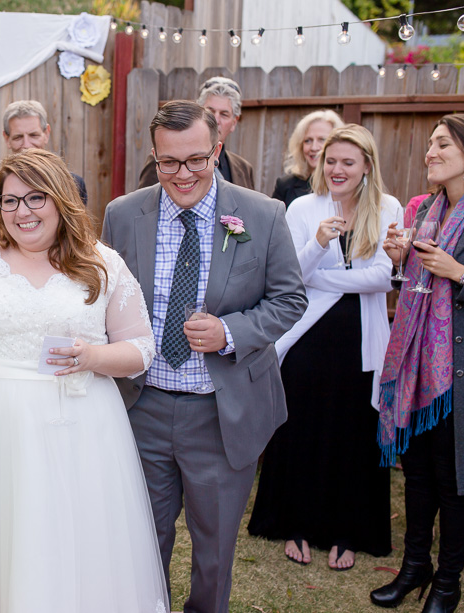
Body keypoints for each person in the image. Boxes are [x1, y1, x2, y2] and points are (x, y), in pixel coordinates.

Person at [0, 148, 168, 612]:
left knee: (77, 538)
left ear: (60, 200)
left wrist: (93, 356)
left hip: (82, 429)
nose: (23, 212)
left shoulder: (101, 262)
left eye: (36, 198)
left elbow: (141, 348)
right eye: (10, 200)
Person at [102, 100, 307, 613]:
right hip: (141, 406)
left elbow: (289, 298)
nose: (183, 174)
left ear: (217, 150)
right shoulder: (123, 214)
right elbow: (102, 299)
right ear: (154, 156)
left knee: (214, 552)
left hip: (221, 411)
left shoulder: (263, 213)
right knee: (140, 542)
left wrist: (230, 332)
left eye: (196, 160)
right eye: (169, 162)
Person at [248, 124, 400, 571]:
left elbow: (383, 277)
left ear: (366, 166)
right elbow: (289, 275)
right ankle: (294, 523)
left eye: (348, 162)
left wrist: (323, 278)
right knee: (301, 431)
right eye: (331, 160)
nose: (337, 169)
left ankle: (347, 531)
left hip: (361, 340)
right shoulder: (302, 207)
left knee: (353, 434)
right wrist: (317, 244)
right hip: (306, 338)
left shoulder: (387, 207)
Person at [371, 114, 464, 613]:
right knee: (417, 473)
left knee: (453, 479)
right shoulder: (426, 208)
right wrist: (399, 260)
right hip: (416, 366)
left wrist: (459, 272)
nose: (430, 153)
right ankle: (413, 567)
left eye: (442, 144)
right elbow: (417, 286)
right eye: (429, 144)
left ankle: (447, 583)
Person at [0, 100, 88, 239]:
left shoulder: (74, 183)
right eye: (18, 137)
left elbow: (77, 235)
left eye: (33, 135)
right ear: (6, 139)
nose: (26, 145)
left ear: (46, 133)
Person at [137, 77, 255, 190]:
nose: (216, 120)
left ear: (234, 122)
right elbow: (147, 201)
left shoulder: (244, 168)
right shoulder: (162, 162)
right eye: (210, 111)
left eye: (224, 114)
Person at [271, 109, 344, 207]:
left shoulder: (346, 185)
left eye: (322, 140)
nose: (314, 147)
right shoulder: (285, 186)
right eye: (308, 141)